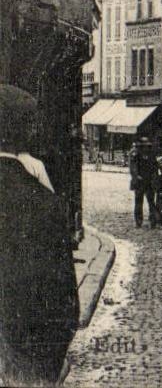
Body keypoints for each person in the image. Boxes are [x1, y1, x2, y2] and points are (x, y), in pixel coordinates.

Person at [0, 84, 79, 385]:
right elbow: (65, 302)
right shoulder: (46, 204)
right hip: (28, 361)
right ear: (27, 133)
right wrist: (48, 367)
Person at [129, 131, 159, 227]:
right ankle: (138, 220)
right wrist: (136, 175)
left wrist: (154, 177)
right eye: (144, 146)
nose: (146, 148)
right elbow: (133, 167)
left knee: (151, 201)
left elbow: (155, 167)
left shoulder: (151, 155)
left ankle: (153, 220)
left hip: (149, 181)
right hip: (139, 181)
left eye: (147, 146)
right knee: (138, 201)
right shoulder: (136, 154)